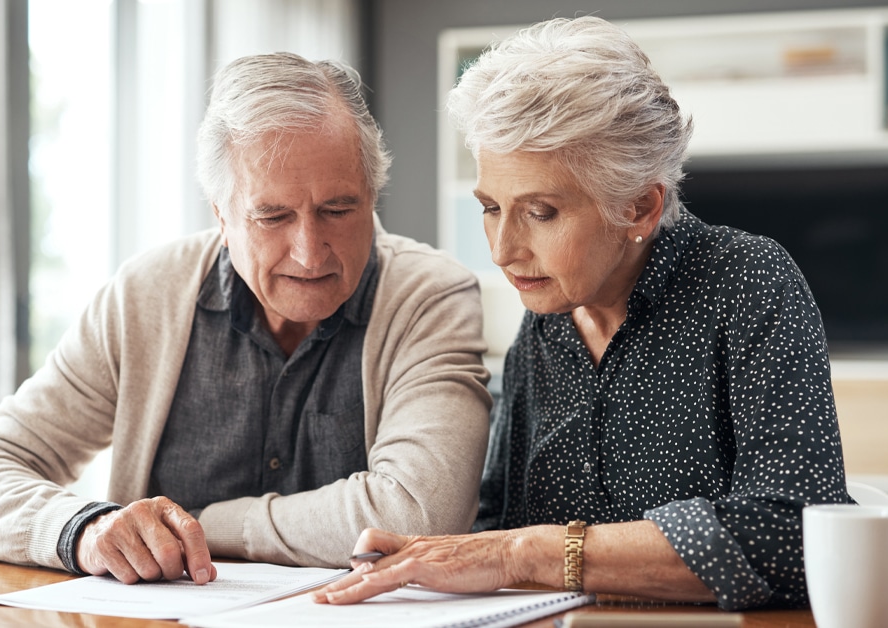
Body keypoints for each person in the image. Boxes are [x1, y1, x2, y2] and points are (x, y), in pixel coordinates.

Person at [314, 16, 850, 611]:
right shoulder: (543, 322)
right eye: (491, 207)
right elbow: (503, 519)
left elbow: (794, 534)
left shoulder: (749, 283)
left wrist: (527, 554)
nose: (502, 250)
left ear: (641, 208)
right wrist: (432, 560)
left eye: (541, 212)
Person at [0, 52, 492, 586]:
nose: (310, 251)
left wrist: (205, 524)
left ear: (372, 196)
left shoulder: (429, 297)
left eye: (338, 210)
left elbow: (420, 513)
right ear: (221, 215)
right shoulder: (145, 297)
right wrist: (89, 529)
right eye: (273, 216)